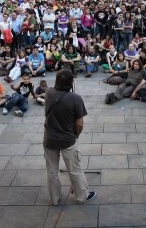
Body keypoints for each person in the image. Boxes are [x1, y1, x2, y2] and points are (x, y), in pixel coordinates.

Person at [43, 69, 95, 205]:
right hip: (68, 139)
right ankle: (81, 196)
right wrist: (76, 136)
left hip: (49, 138)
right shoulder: (76, 98)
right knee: (75, 170)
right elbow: (79, 124)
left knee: (51, 171)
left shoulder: (48, 92)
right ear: (71, 82)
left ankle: (54, 199)